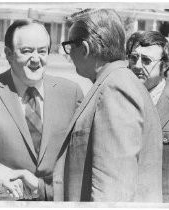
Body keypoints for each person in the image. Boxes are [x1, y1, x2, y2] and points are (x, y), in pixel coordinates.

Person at [0, 19, 83, 201]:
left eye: (42, 51)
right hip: (2, 201)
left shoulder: (71, 92)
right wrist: (1, 174)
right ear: (8, 53)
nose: (35, 59)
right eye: (26, 51)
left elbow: (83, 152)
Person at [57, 9, 163, 202]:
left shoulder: (115, 88)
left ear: (85, 48)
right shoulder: (114, 82)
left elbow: (114, 192)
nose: (68, 53)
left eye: (69, 45)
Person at [126, 30, 169, 202]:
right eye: (133, 58)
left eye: (146, 60)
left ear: (165, 66)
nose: (137, 65)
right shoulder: (117, 97)